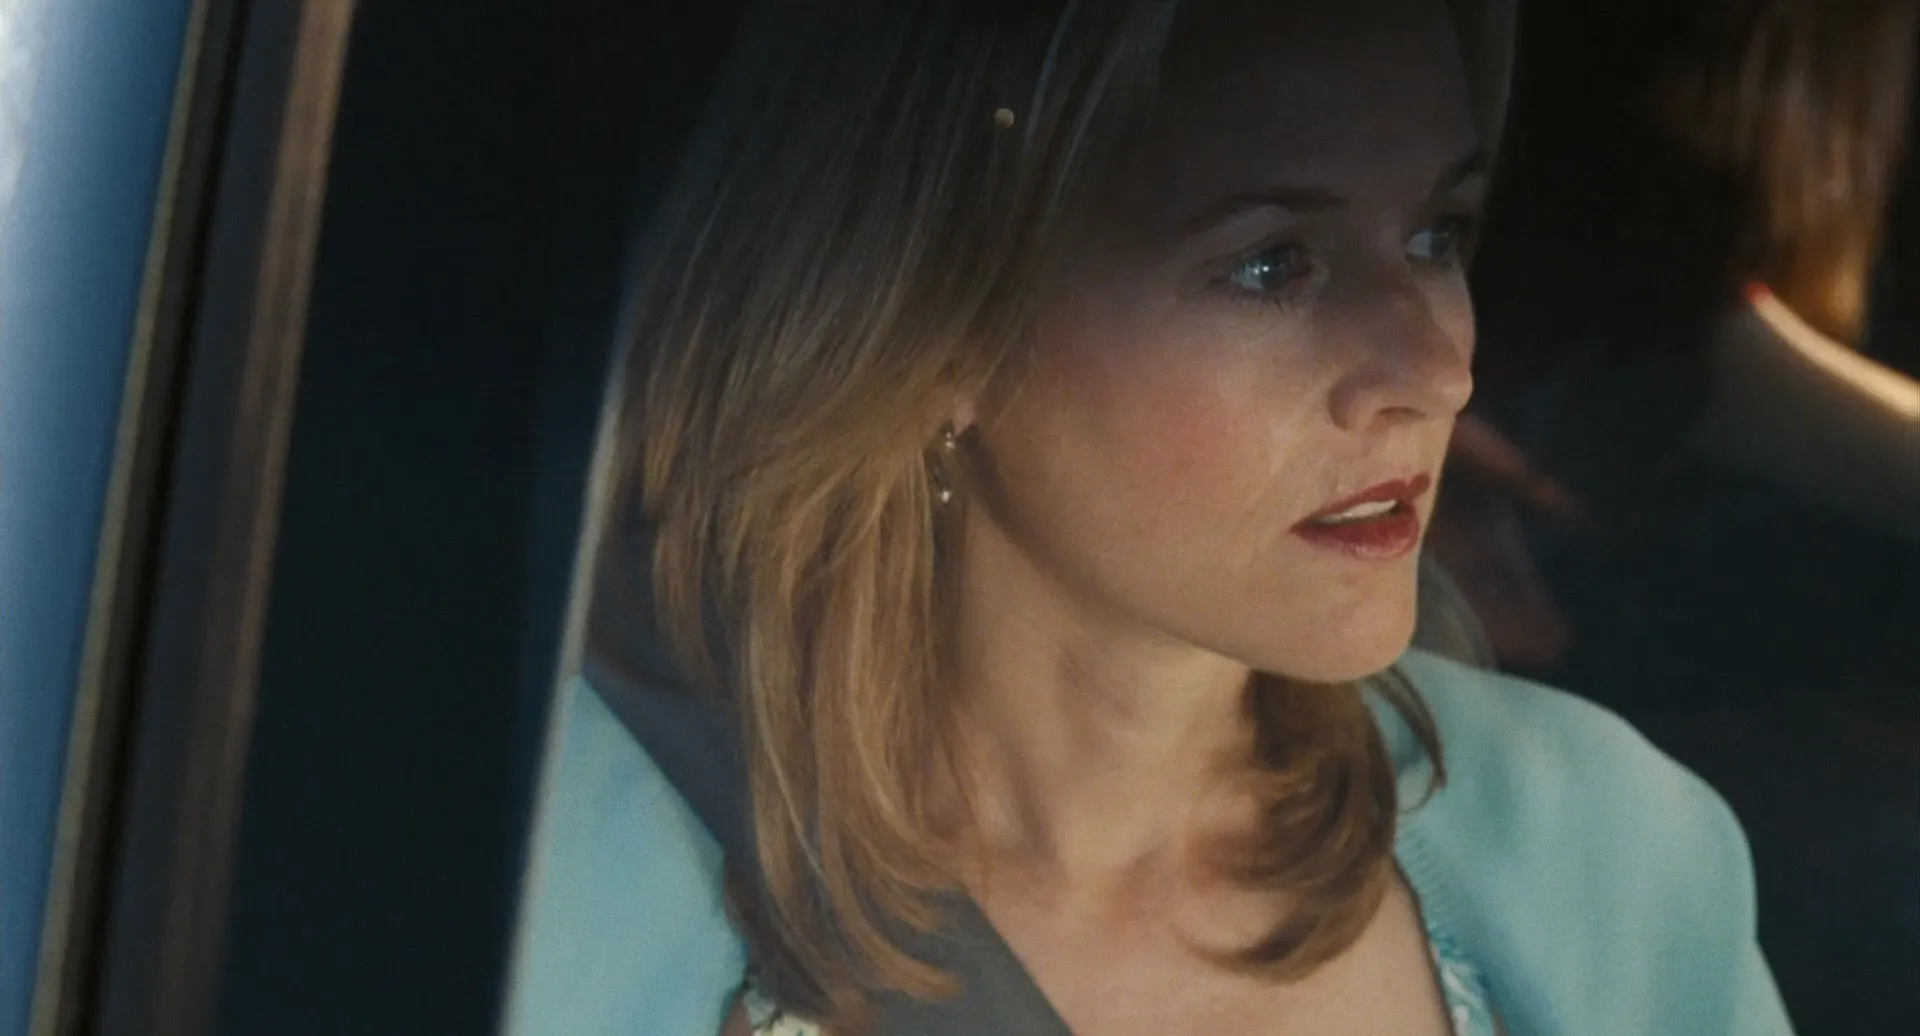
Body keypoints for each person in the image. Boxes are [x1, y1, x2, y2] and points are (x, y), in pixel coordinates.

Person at [507, 1, 1796, 1033]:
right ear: (934, 319)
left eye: (1435, 236)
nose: (1439, 368)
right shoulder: (543, 882)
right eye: (1271, 265)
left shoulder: (1612, 855)